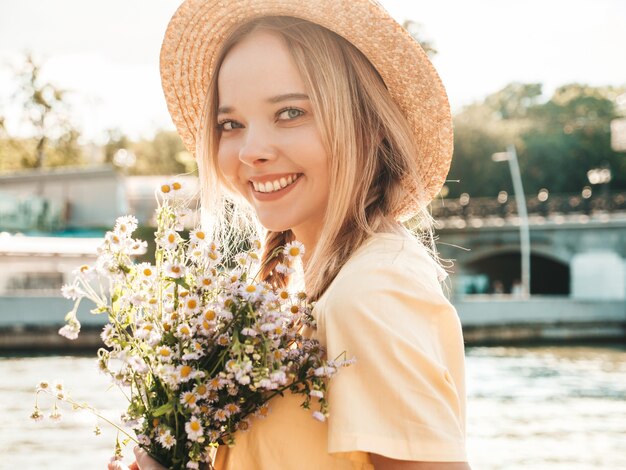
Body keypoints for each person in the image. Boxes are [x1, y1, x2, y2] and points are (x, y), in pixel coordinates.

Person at [111, 1, 470, 468]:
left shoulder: (369, 294)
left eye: (289, 113)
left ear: (369, 126)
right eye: (230, 124)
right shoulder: (316, 287)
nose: (251, 150)